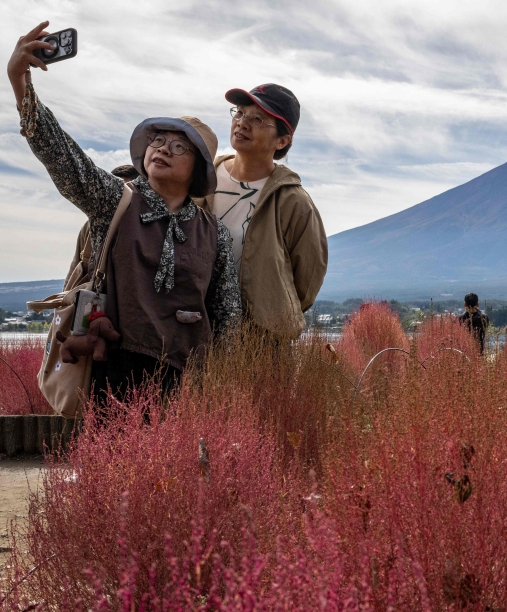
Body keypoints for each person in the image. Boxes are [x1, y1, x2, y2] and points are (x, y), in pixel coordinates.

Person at [9, 21, 241, 400]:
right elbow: (65, 159)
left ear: (199, 168)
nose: (163, 148)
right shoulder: (114, 199)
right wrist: (20, 82)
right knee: (111, 460)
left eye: (179, 147)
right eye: (158, 140)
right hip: (110, 369)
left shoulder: (213, 234)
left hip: (186, 382)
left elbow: (227, 318)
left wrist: (222, 391)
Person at [202, 83, 327, 340]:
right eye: (239, 113)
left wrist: (269, 315)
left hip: (257, 343)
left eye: (258, 118)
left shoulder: (293, 202)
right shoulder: (201, 180)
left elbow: (307, 281)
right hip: (192, 331)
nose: (242, 123)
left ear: (282, 140)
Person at [64, 164, 139, 288]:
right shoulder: (90, 226)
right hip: (97, 299)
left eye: (126, 192)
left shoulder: (147, 224)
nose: (120, 198)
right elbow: (77, 265)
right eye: (117, 192)